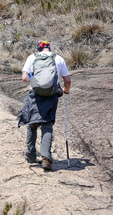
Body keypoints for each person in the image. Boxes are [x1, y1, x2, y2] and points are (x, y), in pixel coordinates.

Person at [18, 41, 71, 170]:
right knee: (47, 125)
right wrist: (66, 90)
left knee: (32, 124)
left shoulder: (32, 57)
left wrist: (36, 80)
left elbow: (24, 78)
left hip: (35, 95)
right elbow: (67, 80)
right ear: (49, 49)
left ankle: (30, 155)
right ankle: (46, 158)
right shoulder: (58, 59)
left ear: (38, 49)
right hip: (51, 95)